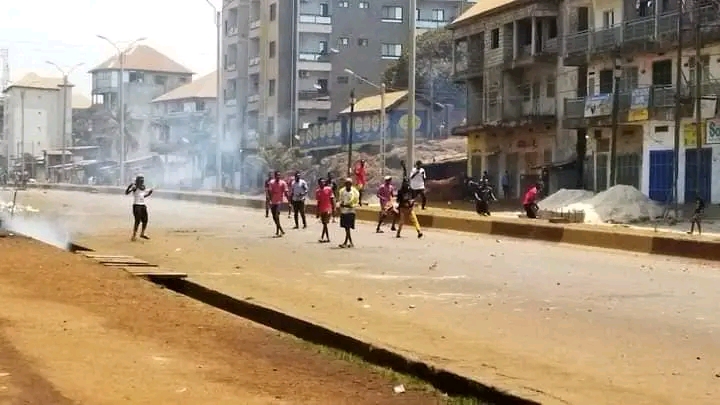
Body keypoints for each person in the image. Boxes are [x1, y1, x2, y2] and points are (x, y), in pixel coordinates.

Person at [125, 174, 154, 241]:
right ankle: (134, 235)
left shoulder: (143, 187)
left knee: (145, 220)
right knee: (137, 220)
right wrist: (129, 187)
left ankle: (142, 233)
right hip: (137, 205)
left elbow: (142, 196)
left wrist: (149, 194)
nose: (142, 181)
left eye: (142, 180)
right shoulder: (134, 186)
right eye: (141, 180)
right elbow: (126, 193)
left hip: (142, 205)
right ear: (138, 180)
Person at [337, 178, 360, 248]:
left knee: (347, 227)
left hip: (351, 211)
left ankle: (345, 242)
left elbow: (356, 202)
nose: (348, 185)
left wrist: (350, 206)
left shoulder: (354, 192)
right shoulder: (342, 191)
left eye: (349, 183)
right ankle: (350, 242)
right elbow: (340, 200)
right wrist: (340, 205)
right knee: (346, 228)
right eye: (346, 183)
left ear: (351, 184)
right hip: (344, 211)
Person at [268, 171, 289, 237]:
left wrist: (289, 201)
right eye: (277, 175)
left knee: (277, 216)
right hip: (273, 202)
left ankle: (280, 230)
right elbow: (270, 192)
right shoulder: (271, 182)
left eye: (279, 175)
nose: (278, 176)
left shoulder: (283, 183)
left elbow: (286, 192)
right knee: (274, 217)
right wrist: (270, 201)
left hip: (279, 201)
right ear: (274, 176)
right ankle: (279, 230)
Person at [315, 178, 335, 243]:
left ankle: (326, 237)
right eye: (321, 182)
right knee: (324, 223)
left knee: (325, 223)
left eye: (323, 182)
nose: (322, 184)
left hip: (328, 208)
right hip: (322, 209)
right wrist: (317, 212)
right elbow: (318, 202)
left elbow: (332, 199)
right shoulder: (317, 191)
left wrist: (334, 208)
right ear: (319, 183)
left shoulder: (329, 189)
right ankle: (324, 237)